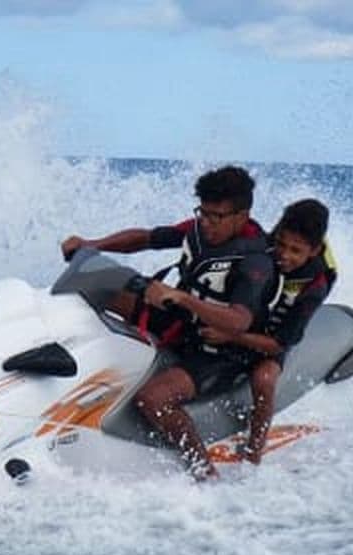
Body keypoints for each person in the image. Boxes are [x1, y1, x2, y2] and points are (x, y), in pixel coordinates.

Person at [61, 166, 275, 479]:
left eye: (217, 216)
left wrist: (183, 299)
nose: (207, 222)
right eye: (203, 212)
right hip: (182, 321)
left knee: (154, 399)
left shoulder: (256, 261)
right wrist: (93, 244)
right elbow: (147, 239)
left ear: (242, 216)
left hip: (223, 349)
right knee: (96, 286)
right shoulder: (200, 229)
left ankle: (205, 472)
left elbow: (239, 321)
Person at [201, 198, 336, 465]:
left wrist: (232, 336)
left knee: (263, 379)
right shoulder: (267, 244)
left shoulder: (316, 285)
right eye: (282, 244)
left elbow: (278, 345)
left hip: (277, 331)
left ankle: (254, 454)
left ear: (314, 250)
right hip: (251, 309)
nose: (284, 255)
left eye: (295, 251)